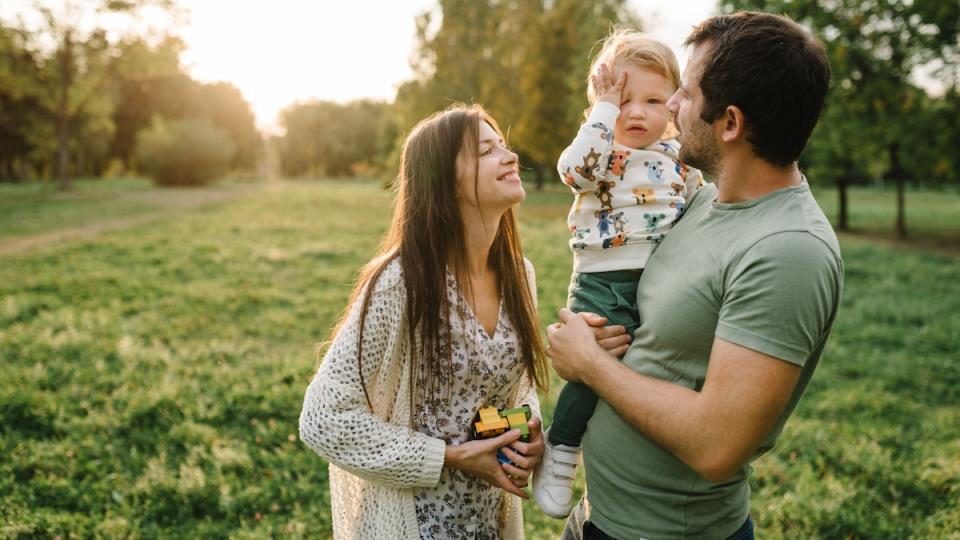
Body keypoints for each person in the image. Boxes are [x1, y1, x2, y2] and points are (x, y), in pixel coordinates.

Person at [544, 12, 843, 540]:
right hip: (599, 516)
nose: (672, 107)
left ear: (729, 123)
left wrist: (590, 365)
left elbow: (715, 445)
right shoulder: (697, 200)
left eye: (682, 93)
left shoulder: (789, 251)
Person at [298, 104, 626, 539]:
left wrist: (526, 432)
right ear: (444, 180)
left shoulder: (518, 275)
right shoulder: (400, 282)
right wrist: (448, 457)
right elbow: (323, 419)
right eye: (486, 151)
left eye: (504, 146)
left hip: (487, 524)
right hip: (410, 526)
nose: (510, 157)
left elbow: (513, 390)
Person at [533, 31, 704, 519]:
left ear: (673, 105)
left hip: (658, 281)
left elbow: (694, 205)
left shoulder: (677, 158)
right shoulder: (601, 151)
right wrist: (602, 111)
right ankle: (561, 449)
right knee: (593, 368)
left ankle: (621, 459)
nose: (636, 112)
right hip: (603, 282)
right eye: (623, 99)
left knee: (639, 370)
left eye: (652, 101)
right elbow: (574, 172)